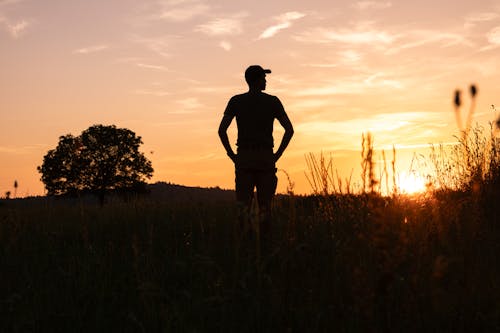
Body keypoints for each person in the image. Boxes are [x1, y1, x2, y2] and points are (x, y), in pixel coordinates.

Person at [218, 65, 294, 235]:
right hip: (266, 158)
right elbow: (289, 130)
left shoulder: (235, 101)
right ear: (257, 80)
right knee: (265, 208)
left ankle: (244, 248)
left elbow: (221, 130)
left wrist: (232, 155)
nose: (266, 81)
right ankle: (264, 246)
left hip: (244, 157)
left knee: (243, 208)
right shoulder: (273, 101)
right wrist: (277, 154)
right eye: (263, 78)